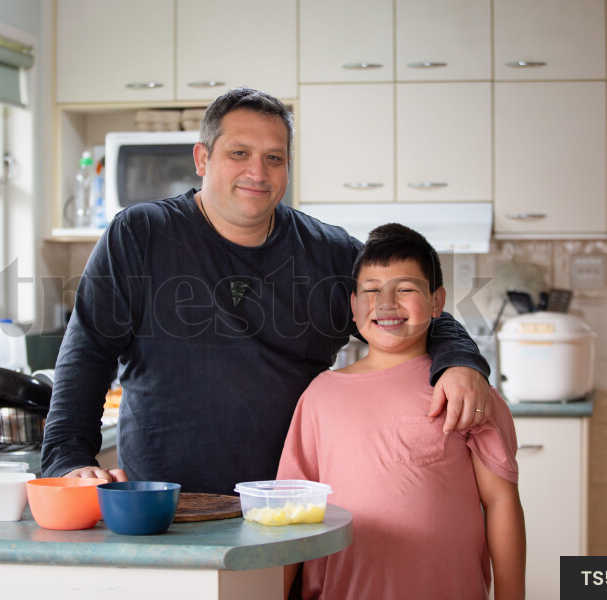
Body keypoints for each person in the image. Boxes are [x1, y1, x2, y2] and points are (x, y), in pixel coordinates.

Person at [41, 87, 493, 494]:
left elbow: (410, 312)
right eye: (239, 153)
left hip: (293, 509)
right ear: (202, 159)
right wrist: (68, 459)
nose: (257, 172)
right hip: (165, 508)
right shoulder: (140, 234)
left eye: (274, 158)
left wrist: (460, 361)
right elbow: (87, 354)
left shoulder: (330, 252)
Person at [277, 223, 525, 600]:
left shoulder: (464, 390)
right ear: (353, 305)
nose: (387, 303)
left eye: (405, 289)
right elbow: (291, 509)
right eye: (371, 290)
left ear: (437, 302)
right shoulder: (319, 396)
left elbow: (501, 501)